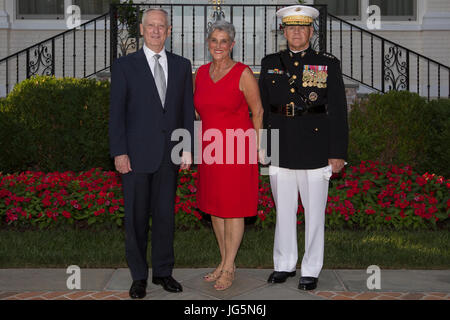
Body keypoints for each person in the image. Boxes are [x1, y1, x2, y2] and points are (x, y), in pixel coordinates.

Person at [259, 5, 348, 291]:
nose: (296, 32)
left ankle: (310, 268)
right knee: (283, 211)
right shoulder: (270, 61)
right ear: (283, 31)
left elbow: (338, 110)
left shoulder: (327, 63)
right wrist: (263, 145)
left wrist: (337, 153)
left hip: (315, 147)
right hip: (281, 144)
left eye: (302, 27)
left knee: (313, 213)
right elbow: (261, 108)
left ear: (311, 31)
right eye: (290, 27)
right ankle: (284, 263)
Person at [109, 8, 195, 299]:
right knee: (135, 219)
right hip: (135, 157)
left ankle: (162, 272)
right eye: (151, 26)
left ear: (168, 31)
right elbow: (116, 114)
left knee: (164, 217)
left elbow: (185, 111)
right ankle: (138, 277)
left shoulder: (182, 66)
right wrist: (119, 152)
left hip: (168, 156)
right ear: (142, 30)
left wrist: (185, 148)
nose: (156, 31)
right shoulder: (124, 66)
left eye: (161, 26)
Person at [194, 20, 264, 291]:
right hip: (211, 150)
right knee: (215, 208)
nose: (219, 45)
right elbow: (200, 111)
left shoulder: (243, 73)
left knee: (233, 209)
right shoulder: (199, 73)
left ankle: (228, 266)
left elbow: (257, 112)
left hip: (237, 149)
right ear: (208, 43)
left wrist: (259, 146)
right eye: (214, 40)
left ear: (232, 45)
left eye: (224, 41)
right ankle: (224, 262)